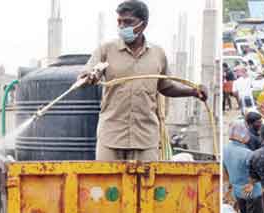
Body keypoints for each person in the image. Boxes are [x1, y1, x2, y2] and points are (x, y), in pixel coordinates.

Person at [79, 1, 206, 161]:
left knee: (147, 186)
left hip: (146, 138)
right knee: (107, 185)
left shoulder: (157, 54)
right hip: (111, 136)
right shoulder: (106, 50)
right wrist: (89, 76)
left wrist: (194, 91)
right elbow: (85, 75)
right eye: (120, 22)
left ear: (143, 24)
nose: (122, 26)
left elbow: (166, 87)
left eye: (128, 22)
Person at [223, 120, 264, 213]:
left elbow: (225, 172)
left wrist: (230, 186)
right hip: (252, 191)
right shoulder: (247, 153)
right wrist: (252, 183)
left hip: (237, 191)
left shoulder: (226, 149)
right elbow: (257, 172)